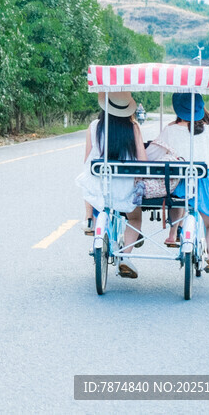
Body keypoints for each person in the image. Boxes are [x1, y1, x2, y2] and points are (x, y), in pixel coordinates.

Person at [153, 92, 209, 277]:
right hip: (202, 183)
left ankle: (174, 232)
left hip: (176, 184)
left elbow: (153, 155)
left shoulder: (170, 130)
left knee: (177, 199)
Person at [77, 91, 147, 278]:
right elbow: (142, 160)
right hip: (125, 188)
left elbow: (87, 160)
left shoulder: (94, 126)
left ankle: (89, 218)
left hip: (101, 185)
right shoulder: (133, 127)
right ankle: (125, 257)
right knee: (135, 218)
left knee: (86, 178)